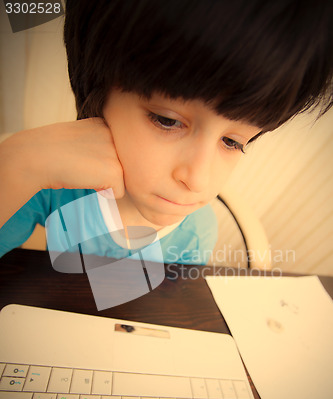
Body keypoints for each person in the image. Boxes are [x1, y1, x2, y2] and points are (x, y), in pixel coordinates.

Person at [0, 0, 332, 265]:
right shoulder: (55, 185)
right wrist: (15, 163)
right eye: (167, 121)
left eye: (232, 142)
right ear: (98, 95)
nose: (197, 179)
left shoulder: (196, 232)